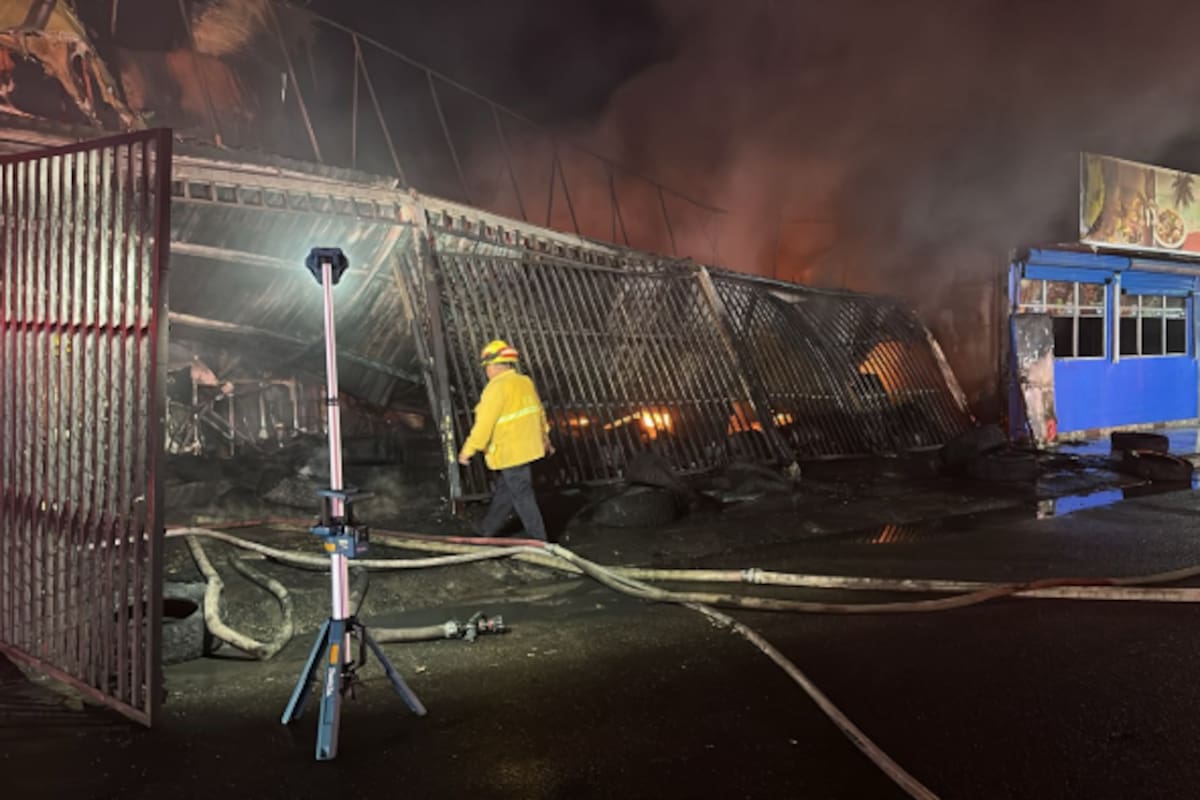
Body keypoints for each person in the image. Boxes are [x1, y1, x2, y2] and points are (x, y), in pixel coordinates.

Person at [458, 339, 553, 541]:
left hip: (510, 451)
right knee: (507, 490)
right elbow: (539, 413)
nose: (487, 372)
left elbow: (484, 425)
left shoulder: (495, 388)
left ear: (493, 366)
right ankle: (487, 529)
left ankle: (540, 542)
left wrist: (468, 450)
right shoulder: (524, 382)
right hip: (528, 449)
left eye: (487, 367)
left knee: (522, 495)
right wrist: (546, 438)